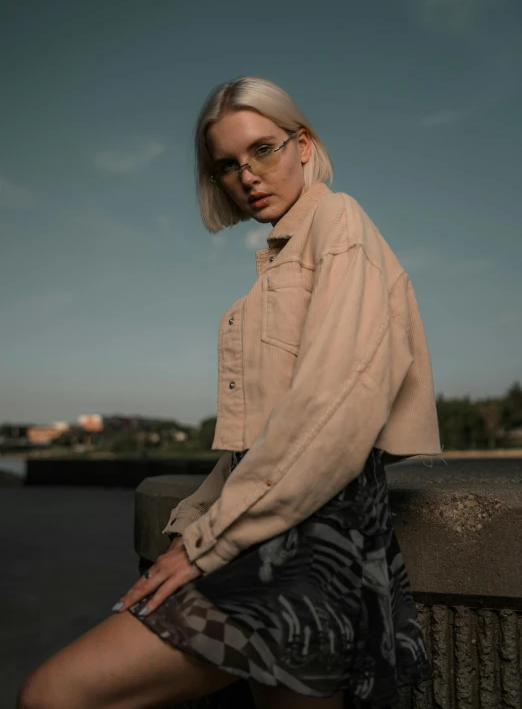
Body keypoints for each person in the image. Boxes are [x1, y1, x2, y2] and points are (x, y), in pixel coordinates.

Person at [17, 76, 442, 709]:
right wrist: (191, 520)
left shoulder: (340, 222)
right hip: (275, 535)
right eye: (227, 165)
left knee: (55, 693)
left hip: (308, 542)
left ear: (303, 144)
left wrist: (203, 546)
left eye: (263, 150)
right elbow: (266, 435)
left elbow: (333, 410)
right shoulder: (278, 260)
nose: (247, 175)